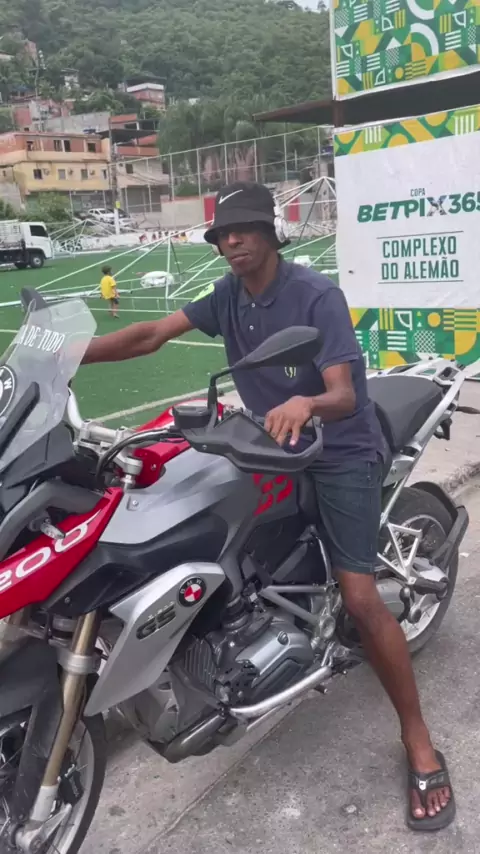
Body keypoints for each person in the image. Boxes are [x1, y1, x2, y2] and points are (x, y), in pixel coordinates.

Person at [82, 182, 454, 830]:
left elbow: (343, 392)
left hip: (338, 449)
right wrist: (69, 356)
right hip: (269, 444)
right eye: (222, 234)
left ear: (269, 233)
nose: (231, 241)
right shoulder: (228, 295)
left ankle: (419, 740)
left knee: (361, 599)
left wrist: (305, 402)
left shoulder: (315, 295)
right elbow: (151, 335)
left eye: (244, 229)